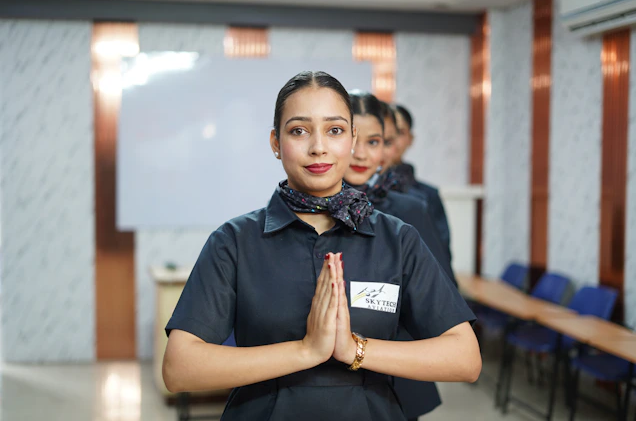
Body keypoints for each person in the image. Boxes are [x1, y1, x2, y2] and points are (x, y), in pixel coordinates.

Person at [162, 71, 481, 421]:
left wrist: (352, 349)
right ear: (275, 141)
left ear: (352, 139)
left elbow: (465, 358)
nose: (318, 146)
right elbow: (180, 368)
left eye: (335, 130)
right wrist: (305, 351)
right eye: (299, 130)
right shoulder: (235, 241)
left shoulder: (397, 238)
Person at [343, 90, 456, 420]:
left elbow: (439, 295)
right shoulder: (308, 210)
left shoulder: (409, 210)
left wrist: (368, 296)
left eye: (375, 142)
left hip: (395, 371)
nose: (360, 153)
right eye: (350, 138)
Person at [382, 103, 452, 262]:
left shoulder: (427, 196)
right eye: (382, 134)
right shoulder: (352, 194)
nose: (390, 139)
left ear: (410, 139)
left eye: (399, 132)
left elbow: (441, 255)